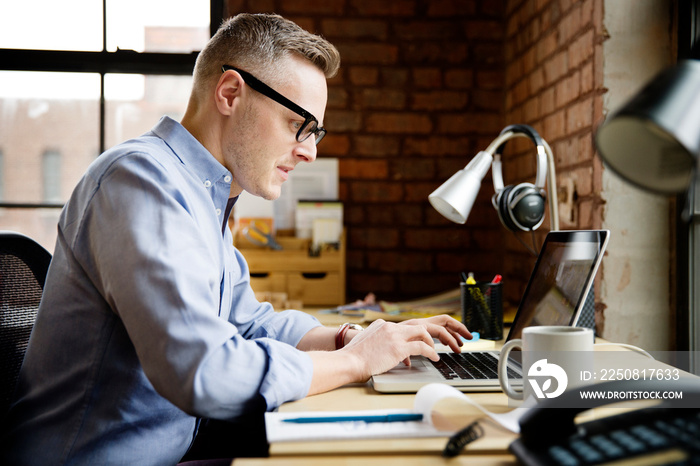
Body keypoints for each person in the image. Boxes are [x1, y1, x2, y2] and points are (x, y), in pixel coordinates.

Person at [1, 13, 470, 465]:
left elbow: (248, 324)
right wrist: (354, 363)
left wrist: (350, 336)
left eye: (315, 133)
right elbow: (204, 371)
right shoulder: (140, 183)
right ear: (230, 93)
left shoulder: (204, 195)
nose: (309, 152)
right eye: (297, 125)